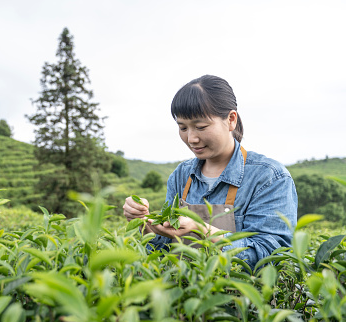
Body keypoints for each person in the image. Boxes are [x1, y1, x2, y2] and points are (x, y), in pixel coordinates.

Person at [123, 75, 297, 270]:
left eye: (201, 127)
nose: (191, 138)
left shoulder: (269, 177)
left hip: (243, 297)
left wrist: (203, 231)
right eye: (182, 127)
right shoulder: (182, 175)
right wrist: (143, 223)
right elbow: (163, 250)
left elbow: (272, 255)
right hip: (185, 294)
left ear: (231, 120)